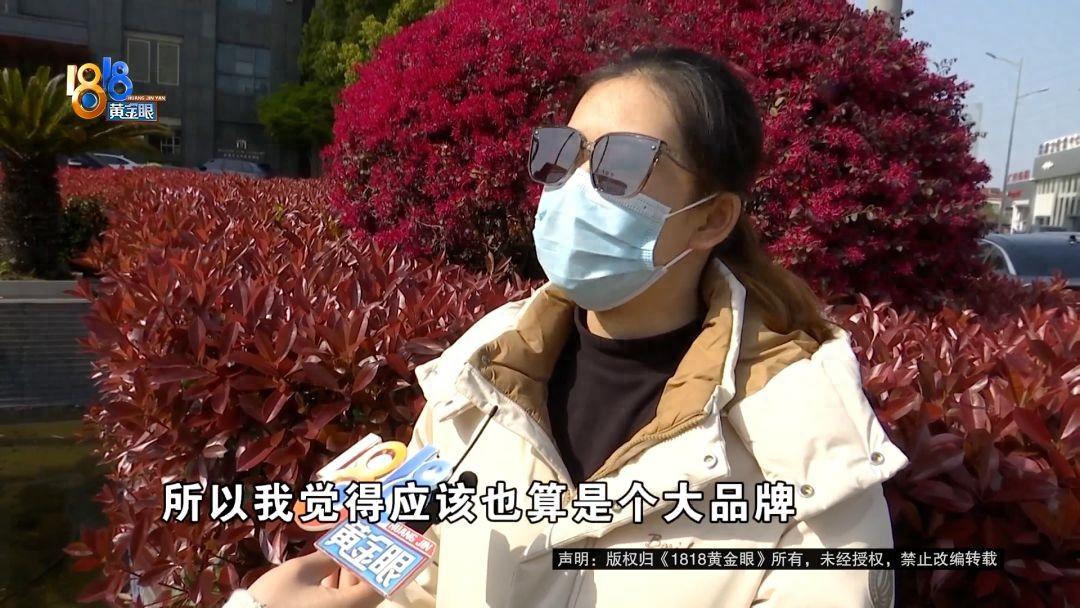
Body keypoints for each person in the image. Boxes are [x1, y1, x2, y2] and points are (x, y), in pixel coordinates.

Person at [227, 45, 908, 608]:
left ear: (711, 219)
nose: (573, 188)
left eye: (622, 164)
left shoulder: (810, 445)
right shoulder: (479, 376)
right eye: (564, 154)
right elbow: (420, 584)